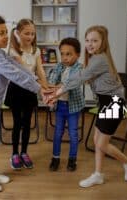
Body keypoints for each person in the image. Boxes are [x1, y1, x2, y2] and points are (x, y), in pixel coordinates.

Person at [47, 26, 127, 187]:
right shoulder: (94, 58)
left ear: (103, 42)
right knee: (97, 141)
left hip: (114, 104)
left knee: (102, 143)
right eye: (88, 40)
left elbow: (80, 78)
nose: (90, 44)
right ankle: (98, 174)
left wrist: (57, 93)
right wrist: (58, 89)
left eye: (95, 40)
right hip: (105, 103)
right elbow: (79, 77)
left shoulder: (100, 59)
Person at [0, 14, 48, 193]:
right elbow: (16, 76)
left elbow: (19, 68)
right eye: (1, 33)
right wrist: (39, 89)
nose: (6, 36)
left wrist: (39, 82)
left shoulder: (0, 53)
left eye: (6, 32)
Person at [5, 19, 49, 170]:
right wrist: (40, 87)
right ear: (18, 33)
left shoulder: (36, 50)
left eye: (32, 33)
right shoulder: (13, 50)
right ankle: (15, 154)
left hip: (30, 90)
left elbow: (40, 70)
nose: (30, 36)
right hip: (17, 90)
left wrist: (46, 86)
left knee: (27, 123)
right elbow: (25, 70)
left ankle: (24, 152)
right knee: (17, 123)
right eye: (26, 33)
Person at [47, 38, 85, 172]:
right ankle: (55, 158)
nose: (64, 57)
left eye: (68, 54)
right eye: (62, 54)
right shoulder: (59, 67)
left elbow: (69, 84)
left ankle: (72, 159)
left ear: (78, 54)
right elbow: (51, 81)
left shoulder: (79, 68)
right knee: (58, 133)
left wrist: (57, 87)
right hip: (60, 106)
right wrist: (56, 76)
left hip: (73, 107)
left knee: (73, 134)